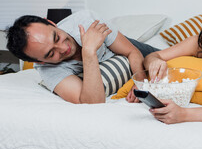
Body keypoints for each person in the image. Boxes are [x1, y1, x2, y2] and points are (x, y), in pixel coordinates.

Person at [6, 10, 159, 104]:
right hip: (110, 58)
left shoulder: (86, 21)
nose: (63, 48)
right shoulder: (48, 70)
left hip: (132, 48)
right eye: (51, 53)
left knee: (166, 56)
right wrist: (89, 52)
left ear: (52, 23)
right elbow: (92, 102)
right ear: (40, 61)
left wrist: (140, 83)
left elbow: (132, 52)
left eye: (57, 37)